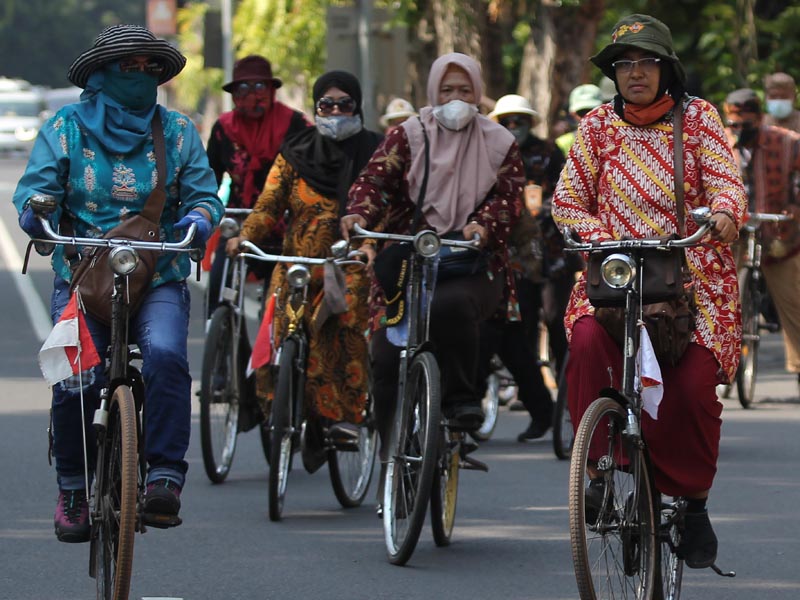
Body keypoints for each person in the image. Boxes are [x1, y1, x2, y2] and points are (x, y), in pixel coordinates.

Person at [12, 25, 223, 542]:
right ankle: (72, 488)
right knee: (74, 377)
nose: (142, 76)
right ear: (102, 74)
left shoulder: (177, 130)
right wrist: (36, 215)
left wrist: (198, 219)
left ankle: (165, 477)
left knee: (169, 357)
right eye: (129, 67)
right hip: (83, 273)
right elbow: (36, 189)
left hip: (161, 273)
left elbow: (203, 194)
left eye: (150, 68)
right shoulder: (64, 128)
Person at [552, 14, 746, 570]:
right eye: (623, 64)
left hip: (692, 274)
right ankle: (596, 470)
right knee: (587, 341)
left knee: (691, 385)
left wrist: (727, 216)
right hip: (614, 272)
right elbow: (567, 202)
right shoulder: (594, 127)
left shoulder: (701, 118)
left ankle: (693, 503)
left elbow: (726, 185)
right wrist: (602, 238)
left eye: (645, 62)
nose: (634, 73)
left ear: (666, 69)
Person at [341, 52, 523, 451]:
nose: (455, 98)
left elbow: (509, 198)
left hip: (472, 260)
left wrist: (484, 225)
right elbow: (375, 181)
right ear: (432, 91)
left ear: (477, 93)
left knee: (450, 307)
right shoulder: (408, 134)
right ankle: (393, 456)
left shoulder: (500, 142)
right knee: (386, 359)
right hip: (408, 257)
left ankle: (460, 401)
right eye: (446, 90)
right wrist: (358, 215)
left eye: (463, 90)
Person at [225, 70, 382, 457]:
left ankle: (344, 418)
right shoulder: (295, 153)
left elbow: (385, 209)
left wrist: (369, 245)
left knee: (344, 326)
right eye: (325, 104)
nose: (334, 111)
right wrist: (245, 236)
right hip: (297, 262)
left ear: (357, 105)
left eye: (343, 104)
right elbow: (268, 205)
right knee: (276, 334)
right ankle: (279, 410)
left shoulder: (376, 153)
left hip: (350, 266)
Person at [205, 55, 309, 317]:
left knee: (285, 307)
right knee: (217, 292)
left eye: (260, 87)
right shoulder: (223, 129)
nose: (252, 96)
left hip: (285, 225)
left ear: (272, 90)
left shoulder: (295, 125)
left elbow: (312, 176)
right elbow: (209, 178)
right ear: (233, 94)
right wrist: (202, 211)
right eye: (243, 89)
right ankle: (226, 345)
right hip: (239, 222)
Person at [722, 88, 800, 392]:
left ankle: (797, 367)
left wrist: (794, 208)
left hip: (781, 231)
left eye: (746, 123)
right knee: (724, 299)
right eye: (734, 123)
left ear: (759, 117)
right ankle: (724, 368)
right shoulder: (721, 143)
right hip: (735, 232)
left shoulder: (787, 142)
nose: (739, 130)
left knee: (793, 302)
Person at [555, 84, 604, 157]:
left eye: (593, 111)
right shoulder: (562, 143)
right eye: (582, 112)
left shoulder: (616, 139)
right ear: (572, 114)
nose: (588, 117)